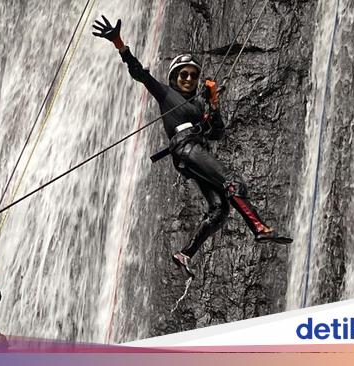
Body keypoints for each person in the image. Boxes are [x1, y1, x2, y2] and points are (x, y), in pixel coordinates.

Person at [92, 16, 292, 277]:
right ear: (174, 77)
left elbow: (217, 133)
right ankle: (259, 229)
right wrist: (119, 43)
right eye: (183, 74)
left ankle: (184, 254)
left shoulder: (199, 106)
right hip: (185, 148)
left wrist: (214, 102)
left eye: (193, 75)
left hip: (193, 154)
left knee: (220, 210)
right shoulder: (165, 94)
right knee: (233, 182)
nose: (189, 78)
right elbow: (139, 73)